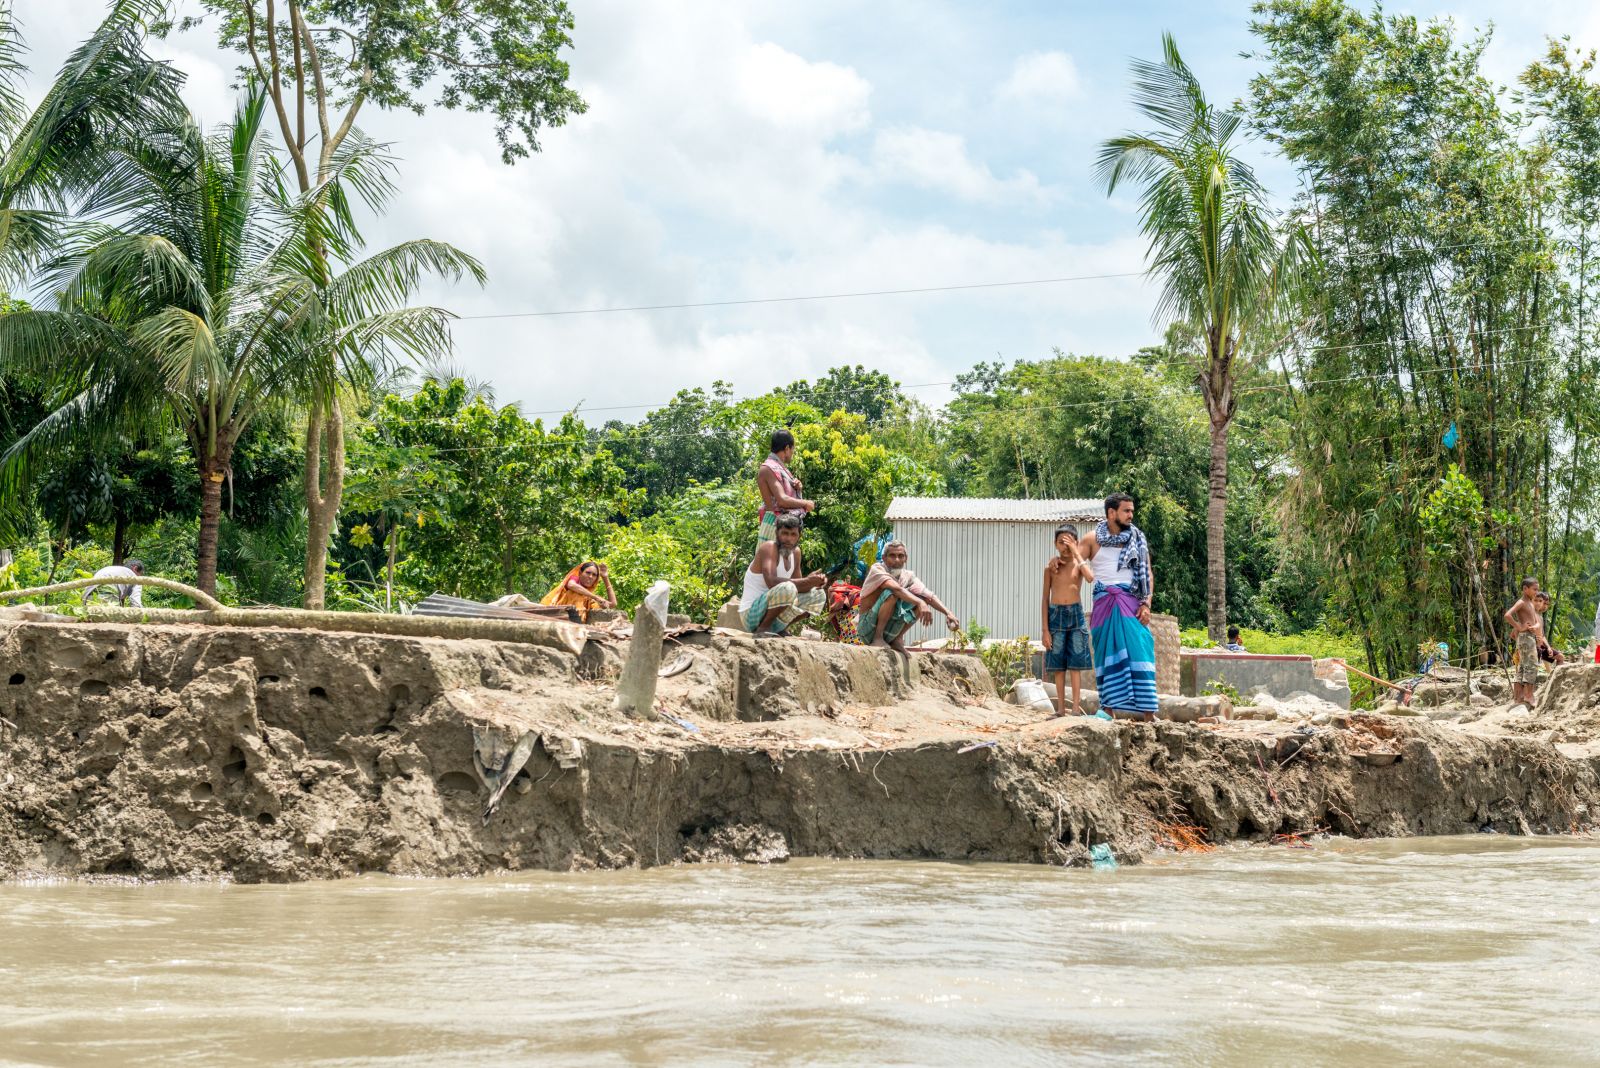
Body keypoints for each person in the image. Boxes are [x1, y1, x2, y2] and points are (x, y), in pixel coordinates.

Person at [1078, 493, 1159, 721]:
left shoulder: (1137, 538)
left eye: (1132, 511)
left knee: (1141, 650)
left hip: (1132, 603)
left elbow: (1148, 573)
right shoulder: (1092, 539)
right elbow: (1074, 562)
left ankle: (1149, 715)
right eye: (1126, 511)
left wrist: (1146, 603)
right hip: (1104, 604)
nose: (1131, 515)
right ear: (1111, 513)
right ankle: (1108, 711)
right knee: (1106, 655)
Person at [856, 540, 958, 653]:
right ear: (884, 558)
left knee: (923, 598)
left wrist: (948, 613)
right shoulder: (877, 569)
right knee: (891, 593)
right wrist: (920, 603)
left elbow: (928, 595)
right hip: (867, 629)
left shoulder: (907, 576)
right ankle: (878, 638)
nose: (897, 560)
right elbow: (896, 589)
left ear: (906, 558)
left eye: (900, 556)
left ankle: (897, 638)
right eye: (892, 556)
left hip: (889, 631)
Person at [740, 514, 828, 636]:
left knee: (818, 594)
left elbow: (799, 589)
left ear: (799, 536)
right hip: (751, 614)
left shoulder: (796, 553)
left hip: (774, 612)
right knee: (788, 587)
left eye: (793, 535)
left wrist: (814, 581)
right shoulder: (769, 547)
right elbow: (771, 582)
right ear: (777, 533)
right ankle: (763, 628)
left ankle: (780, 628)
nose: (788, 539)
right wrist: (807, 581)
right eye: (785, 533)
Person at [1040, 525, 1095, 716]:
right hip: (1055, 615)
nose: (1065, 546)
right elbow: (1045, 599)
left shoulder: (1079, 566)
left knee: (1076, 663)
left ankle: (1075, 709)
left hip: (1076, 615)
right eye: (1061, 542)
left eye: (1069, 542)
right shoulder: (1051, 568)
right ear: (1055, 544)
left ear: (1077, 543)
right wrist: (1045, 630)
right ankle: (1061, 709)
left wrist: (1076, 554)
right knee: (1058, 665)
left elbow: (1090, 577)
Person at [756, 429, 814, 544]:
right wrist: (806, 503)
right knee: (770, 561)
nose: (792, 453)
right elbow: (782, 500)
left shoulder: (779, 468)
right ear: (787, 448)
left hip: (783, 527)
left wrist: (797, 488)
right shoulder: (768, 468)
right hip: (774, 526)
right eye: (792, 450)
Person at [1503, 577, 1542, 707]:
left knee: (1523, 666)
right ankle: (1528, 695)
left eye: (1538, 589)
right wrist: (1519, 627)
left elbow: (1536, 622)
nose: (1536, 592)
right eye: (1534, 589)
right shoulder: (1521, 602)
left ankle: (1518, 697)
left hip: (1529, 636)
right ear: (1525, 589)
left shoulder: (1530, 602)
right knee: (1532, 665)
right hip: (1525, 637)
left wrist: (1535, 627)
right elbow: (1508, 615)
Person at [540, 561, 616, 623]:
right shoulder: (574, 579)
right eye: (588, 573)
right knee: (577, 594)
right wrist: (595, 597)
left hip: (576, 626)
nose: (590, 576)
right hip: (553, 615)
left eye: (594, 575)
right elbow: (571, 585)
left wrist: (605, 577)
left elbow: (612, 604)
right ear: (580, 573)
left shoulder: (589, 598)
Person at [1534, 592, 1566, 665]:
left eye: (1547, 604)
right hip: (1533, 647)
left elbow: (1542, 636)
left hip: (1541, 647)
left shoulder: (1540, 617)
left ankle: (1555, 675)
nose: (1545, 606)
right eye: (1544, 603)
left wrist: (1548, 647)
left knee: (1560, 657)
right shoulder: (1531, 614)